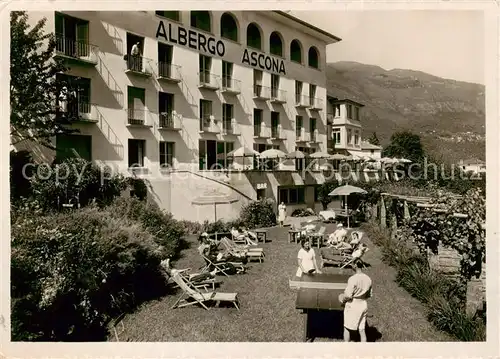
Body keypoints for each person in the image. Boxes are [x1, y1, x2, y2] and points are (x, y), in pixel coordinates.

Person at [338, 259, 373, 342]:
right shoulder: (368, 279)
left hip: (353, 305)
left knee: (347, 328)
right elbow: (369, 295)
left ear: (355, 266)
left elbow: (348, 296)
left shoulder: (352, 279)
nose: (351, 265)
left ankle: (346, 351)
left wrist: (342, 299)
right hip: (363, 304)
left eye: (352, 264)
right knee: (362, 329)